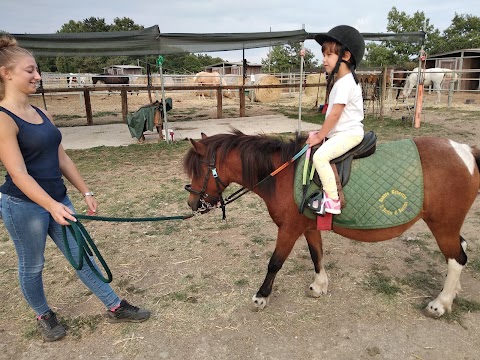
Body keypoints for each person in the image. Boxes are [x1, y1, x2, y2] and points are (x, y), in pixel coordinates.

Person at [0, 34, 150, 342]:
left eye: (37, 70)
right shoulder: (3, 119)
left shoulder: (42, 113)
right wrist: (52, 207)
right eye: (30, 70)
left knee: (81, 255)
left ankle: (114, 306)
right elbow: (19, 175)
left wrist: (85, 191)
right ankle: (43, 313)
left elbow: (61, 156)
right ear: (7, 73)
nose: (37, 76)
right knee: (33, 264)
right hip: (24, 206)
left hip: (57, 199)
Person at [306, 25, 365, 214]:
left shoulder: (345, 83)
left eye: (328, 55)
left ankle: (332, 200)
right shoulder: (342, 82)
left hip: (349, 134)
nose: (324, 60)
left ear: (345, 56)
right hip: (343, 132)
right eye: (323, 55)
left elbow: (334, 115)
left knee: (320, 156)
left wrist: (320, 136)